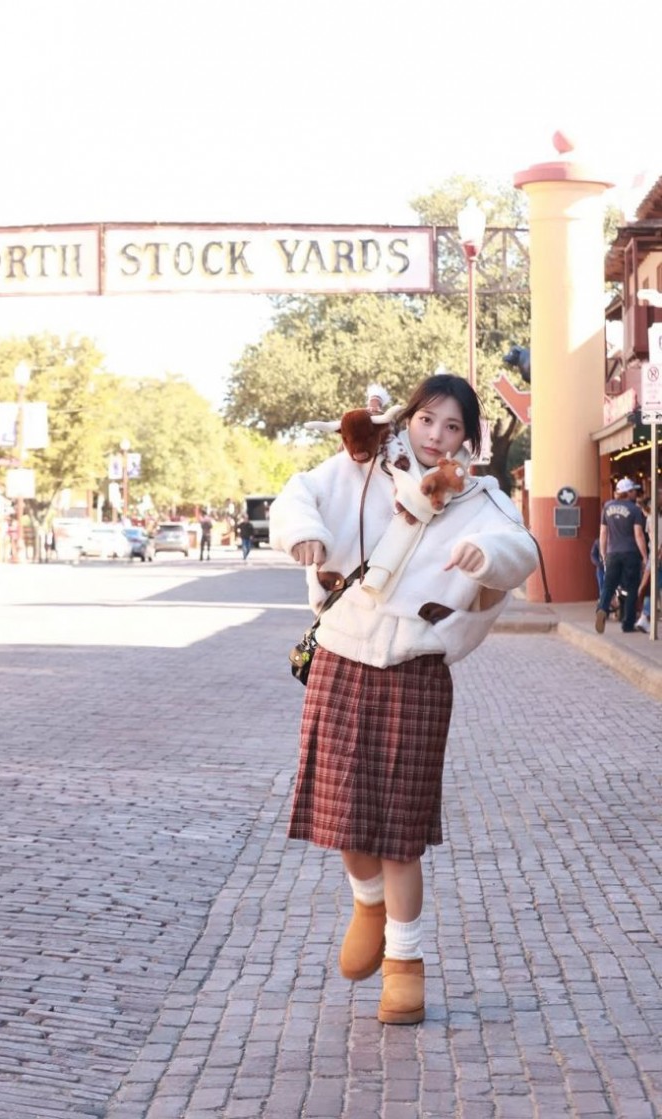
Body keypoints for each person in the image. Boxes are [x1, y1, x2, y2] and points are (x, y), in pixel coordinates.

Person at [269, 372, 538, 1026]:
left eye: (453, 426)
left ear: (468, 437)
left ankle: (405, 964)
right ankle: (367, 902)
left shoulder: (479, 498)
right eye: (427, 420)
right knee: (340, 811)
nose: (436, 435)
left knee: (400, 831)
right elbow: (298, 494)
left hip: (415, 666)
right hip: (340, 655)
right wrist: (302, 531)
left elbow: (521, 548)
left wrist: (483, 554)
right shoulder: (361, 469)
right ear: (410, 417)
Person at [595, 478, 647, 634]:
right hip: (630, 553)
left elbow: (603, 532)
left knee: (608, 585)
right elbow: (638, 534)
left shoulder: (607, 507)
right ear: (628, 492)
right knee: (632, 588)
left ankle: (602, 608)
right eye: (633, 490)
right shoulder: (634, 509)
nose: (635, 493)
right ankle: (628, 623)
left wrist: (603, 553)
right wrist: (645, 556)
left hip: (612, 552)